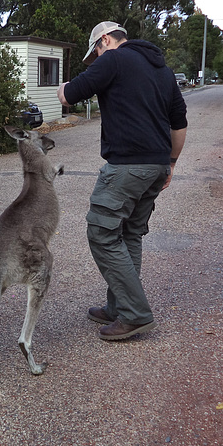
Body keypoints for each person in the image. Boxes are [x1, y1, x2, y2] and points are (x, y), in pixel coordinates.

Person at [58, 21, 187, 341]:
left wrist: (61, 86)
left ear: (105, 40)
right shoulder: (164, 70)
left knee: (101, 232)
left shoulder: (113, 59)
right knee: (129, 233)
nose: (97, 58)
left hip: (127, 166)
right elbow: (179, 123)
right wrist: (170, 163)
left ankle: (135, 314)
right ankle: (118, 307)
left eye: (96, 52)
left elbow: (70, 96)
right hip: (156, 165)